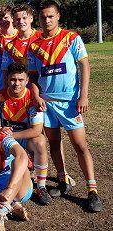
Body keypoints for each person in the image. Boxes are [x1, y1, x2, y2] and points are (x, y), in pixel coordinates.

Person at [28, 0, 103, 212]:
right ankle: (63, 180)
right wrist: (36, 96)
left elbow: (84, 66)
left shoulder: (71, 37)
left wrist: (83, 96)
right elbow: (32, 76)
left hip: (70, 102)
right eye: (43, 16)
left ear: (58, 16)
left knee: (80, 145)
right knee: (53, 143)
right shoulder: (34, 46)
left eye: (50, 16)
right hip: (47, 104)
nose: (46, 20)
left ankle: (92, 190)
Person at [0, 62, 52, 205]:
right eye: (13, 79)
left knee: (40, 140)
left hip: (23, 137)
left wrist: (10, 136)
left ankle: (41, 186)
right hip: (5, 138)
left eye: (20, 80)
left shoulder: (32, 98)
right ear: (7, 79)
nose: (16, 83)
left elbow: (36, 130)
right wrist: (0, 130)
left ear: (27, 80)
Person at [1, 5, 41, 86]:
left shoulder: (41, 38)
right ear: (13, 20)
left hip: (41, 90)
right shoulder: (9, 46)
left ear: (31, 18)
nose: (21, 22)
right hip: (21, 92)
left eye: (24, 18)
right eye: (18, 19)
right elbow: (6, 74)